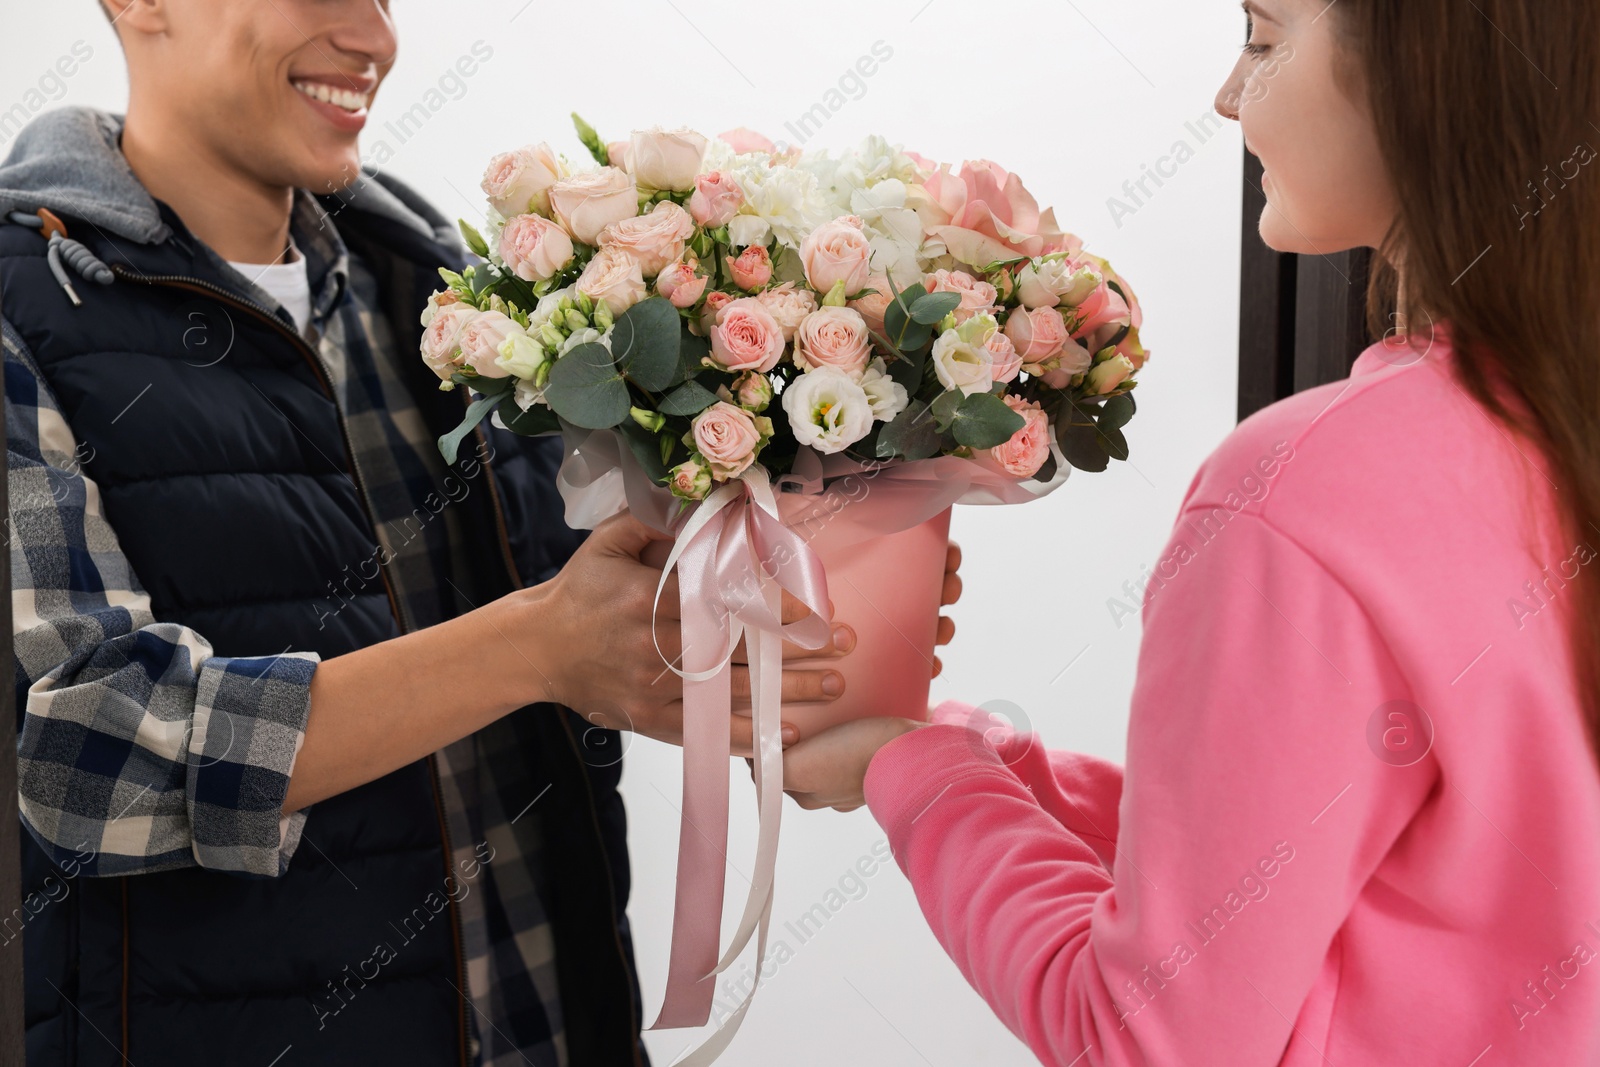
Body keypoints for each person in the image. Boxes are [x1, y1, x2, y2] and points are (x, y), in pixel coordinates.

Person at [0, 1, 959, 1064]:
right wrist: (538, 642)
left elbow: (602, 629)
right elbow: (86, 763)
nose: (369, 35)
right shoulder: (20, 311)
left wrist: (794, 630)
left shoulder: (435, 288)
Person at [783, 0, 1600, 1063]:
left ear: (1419, 65)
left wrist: (924, 780)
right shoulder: (1552, 428)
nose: (1224, 94)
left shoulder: (1302, 497)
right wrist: (986, 763)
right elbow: (1361, 869)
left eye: (1263, 39)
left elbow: (1148, 1039)